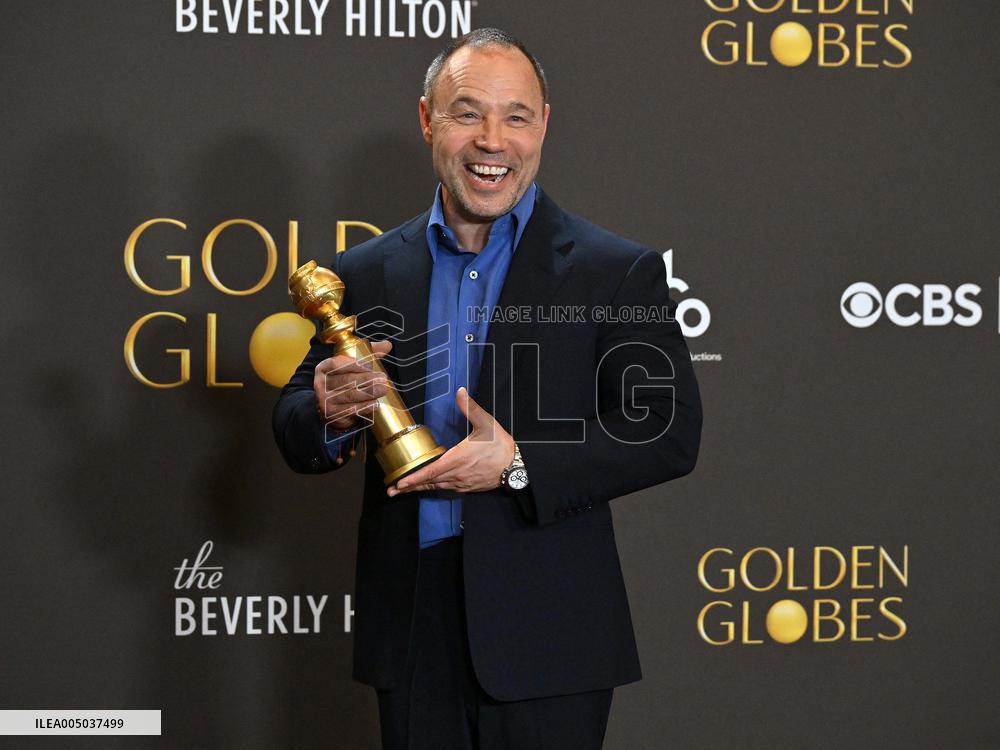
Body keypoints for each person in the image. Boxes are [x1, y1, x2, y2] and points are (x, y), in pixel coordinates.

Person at [273, 27, 702, 750]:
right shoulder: (368, 270)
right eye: (468, 113)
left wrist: (517, 463)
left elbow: (665, 427)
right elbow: (292, 426)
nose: (492, 141)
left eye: (516, 116)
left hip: (551, 633)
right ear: (427, 121)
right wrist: (323, 405)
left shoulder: (613, 270)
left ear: (543, 126)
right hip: (410, 629)